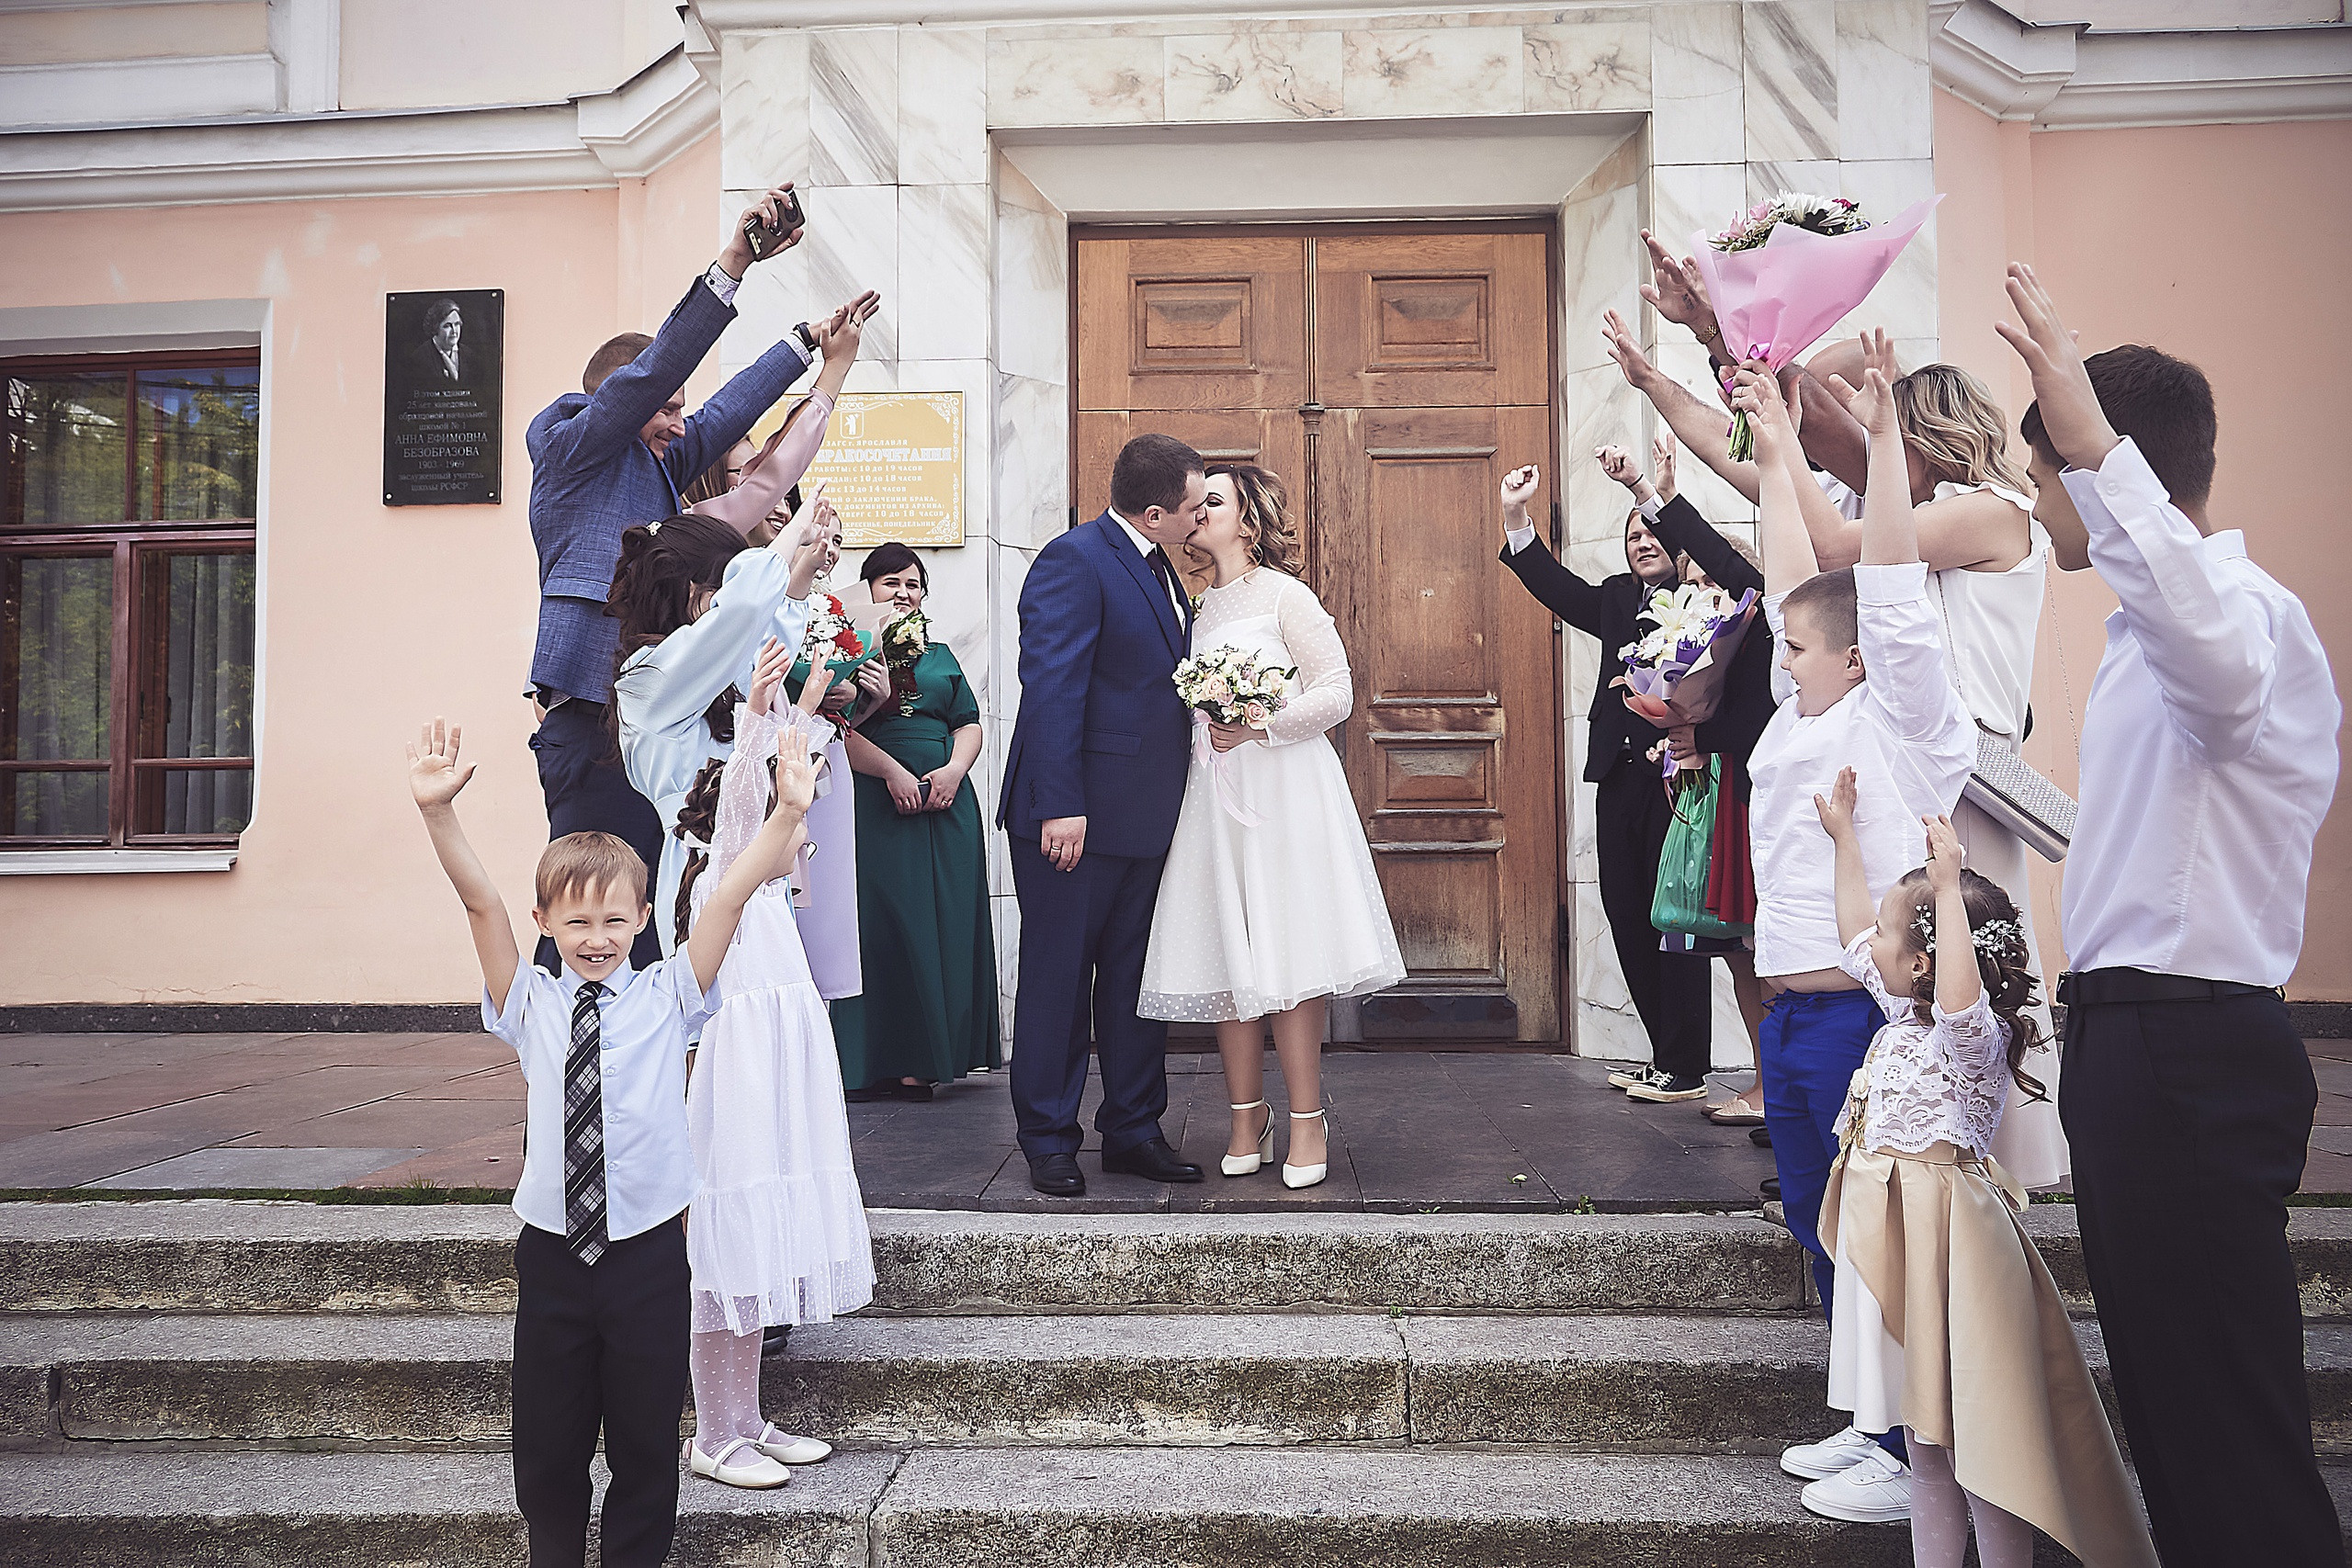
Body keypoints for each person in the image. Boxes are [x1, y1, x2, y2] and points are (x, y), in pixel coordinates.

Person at [1999, 265, 2345, 1564]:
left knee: (2225, 1414)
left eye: (2051, 483)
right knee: (2172, 1404)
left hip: (2193, 1049)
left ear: (2105, 473)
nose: (2042, 513)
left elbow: (2206, 644)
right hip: (2138, 1041)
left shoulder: (2238, 617)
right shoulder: (2154, 629)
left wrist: (2085, 439)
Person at [402, 716, 808, 1567]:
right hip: (552, 1258)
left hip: (649, 1258)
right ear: (547, 920)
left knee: (644, 1446)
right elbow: (480, 901)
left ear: (643, 918)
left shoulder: (671, 994)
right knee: (548, 1453)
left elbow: (729, 897)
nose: (596, 938)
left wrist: (781, 816)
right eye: (578, 921)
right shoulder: (532, 1003)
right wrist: (440, 814)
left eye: (614, 920)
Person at [1734, 364, 1974, 1520]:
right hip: (1789, 1012)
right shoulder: (1802, 712)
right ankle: (1865, 1417)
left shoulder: (1905, 722)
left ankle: (1900, 1436)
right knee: (1809, 1214)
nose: (1780, 659)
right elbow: (1803, 581)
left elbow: (1877, 592)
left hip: (1857, 1014)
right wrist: (1776, 441)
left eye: (1796, 649)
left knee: (1866, 1220)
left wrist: (1879, 443)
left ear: (1861, 657)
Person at [1812, 789, 2155, 1567]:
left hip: (1951, 1250)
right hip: (1892, 1243)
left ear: (1927, 961)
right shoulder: (1902, 1019)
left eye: (1897, 938)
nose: (1877, 947)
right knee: (1926, 1446)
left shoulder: (1973, 1039)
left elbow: (1960, 999)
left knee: (1985, 1451)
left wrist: (1945, 882)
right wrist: (1844, 841)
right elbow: (1853, 934)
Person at [522, 176, 854, 970]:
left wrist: (807, 342)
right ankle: (572, 1084)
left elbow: (738, 440)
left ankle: (649, 1083)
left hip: (653, 717)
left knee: (648, 918)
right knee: (584, 915)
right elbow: (650, 373)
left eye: (680, 408)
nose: (681, 422)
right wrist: (735, 263)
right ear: (619, 399)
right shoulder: (572, 447)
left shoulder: (661, 471)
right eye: (665, 406)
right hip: (590, 718)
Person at [1138, 463, 1404, 1189]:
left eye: (1213, 501)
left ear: (1248, 520)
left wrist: (1261, 723)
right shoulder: (1194, 605)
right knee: (1232, 952)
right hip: (1217, 796)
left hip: (1285, 789)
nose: (1198, 512)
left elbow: (1338, 690)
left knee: (1289, 954)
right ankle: (1244, 1115)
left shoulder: (1287, 595)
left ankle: (1308, 1120)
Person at [671, 647, 874, 1491]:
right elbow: (750, 806)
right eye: (795, 809)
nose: (804, 824)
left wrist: (808, 709)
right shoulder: (728, 883)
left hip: (777, 1076)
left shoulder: (771, 902)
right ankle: (714, 1434)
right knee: (729, 1241)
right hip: (737, 1081)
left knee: (759, 1238)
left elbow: (779, 789)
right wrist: (761, 712)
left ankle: (746, 1415)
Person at [998, 433, 1209, 1198]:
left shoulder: (1162, 569)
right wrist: (1061, 805)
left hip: (1145, 818)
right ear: (1153, 513)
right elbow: (1052, 686)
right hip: (1073, 820)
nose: (1200, 519)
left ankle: (1133, 1128)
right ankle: (1050, 1138)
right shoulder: (1074, 560)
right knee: (1059, 978)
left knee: (1133, 981)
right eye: (1192, 508)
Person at [1498, 455, 1714, 1101]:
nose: (1642, 542)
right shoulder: (1619, 598)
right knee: (1625, 912)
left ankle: (1688, 1064)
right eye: (1632, 537)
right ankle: (1663, 1052)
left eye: (1652, 532)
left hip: (1679, 781)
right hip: (1617, 775)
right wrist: (1516, 515)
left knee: (1674, 918)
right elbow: (1554, 586)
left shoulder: (1703, 600)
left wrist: (1657, 495)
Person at [1593, 432, 1780, 1123]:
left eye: (1708, 581)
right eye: (1693, 582)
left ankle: (1772, 1088)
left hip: (1748, 792)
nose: (1701, 592)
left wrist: (1653, 491)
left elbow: (1759, 714)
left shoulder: (1756, 614)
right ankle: (1766, 1087)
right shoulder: (1705, 622)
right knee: (1732, 949)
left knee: (1760, 949)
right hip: (1715, 791)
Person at [831, 542, 1001, 1100]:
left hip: (947, 803)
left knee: (946, 922)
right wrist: (893, 774)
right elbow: (834, 731)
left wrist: (953, 771)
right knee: (881, 926)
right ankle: (875, 1061)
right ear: (868, 592)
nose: (903, 594)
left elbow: (968, 721)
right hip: (876, 802)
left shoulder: (941, 654)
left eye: (912, 584)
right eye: (890, 584)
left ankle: (928, 1061)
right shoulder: (847, 653)